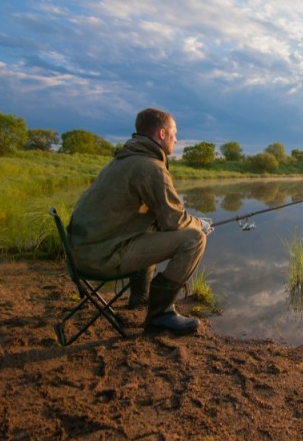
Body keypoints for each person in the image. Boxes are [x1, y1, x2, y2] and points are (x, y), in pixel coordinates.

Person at [68, 108, 210, 334]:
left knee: (152, 226)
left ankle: (140, 297)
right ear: (162, 134)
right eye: (174, 133)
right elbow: (174, 220)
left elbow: (164, 219)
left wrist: (188, 220)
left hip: (83, 252)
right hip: (100, 257)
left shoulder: (125, 158)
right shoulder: (149, 166)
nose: (176, 138)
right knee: (195, 239)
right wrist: (199, 224)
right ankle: (160, 315)